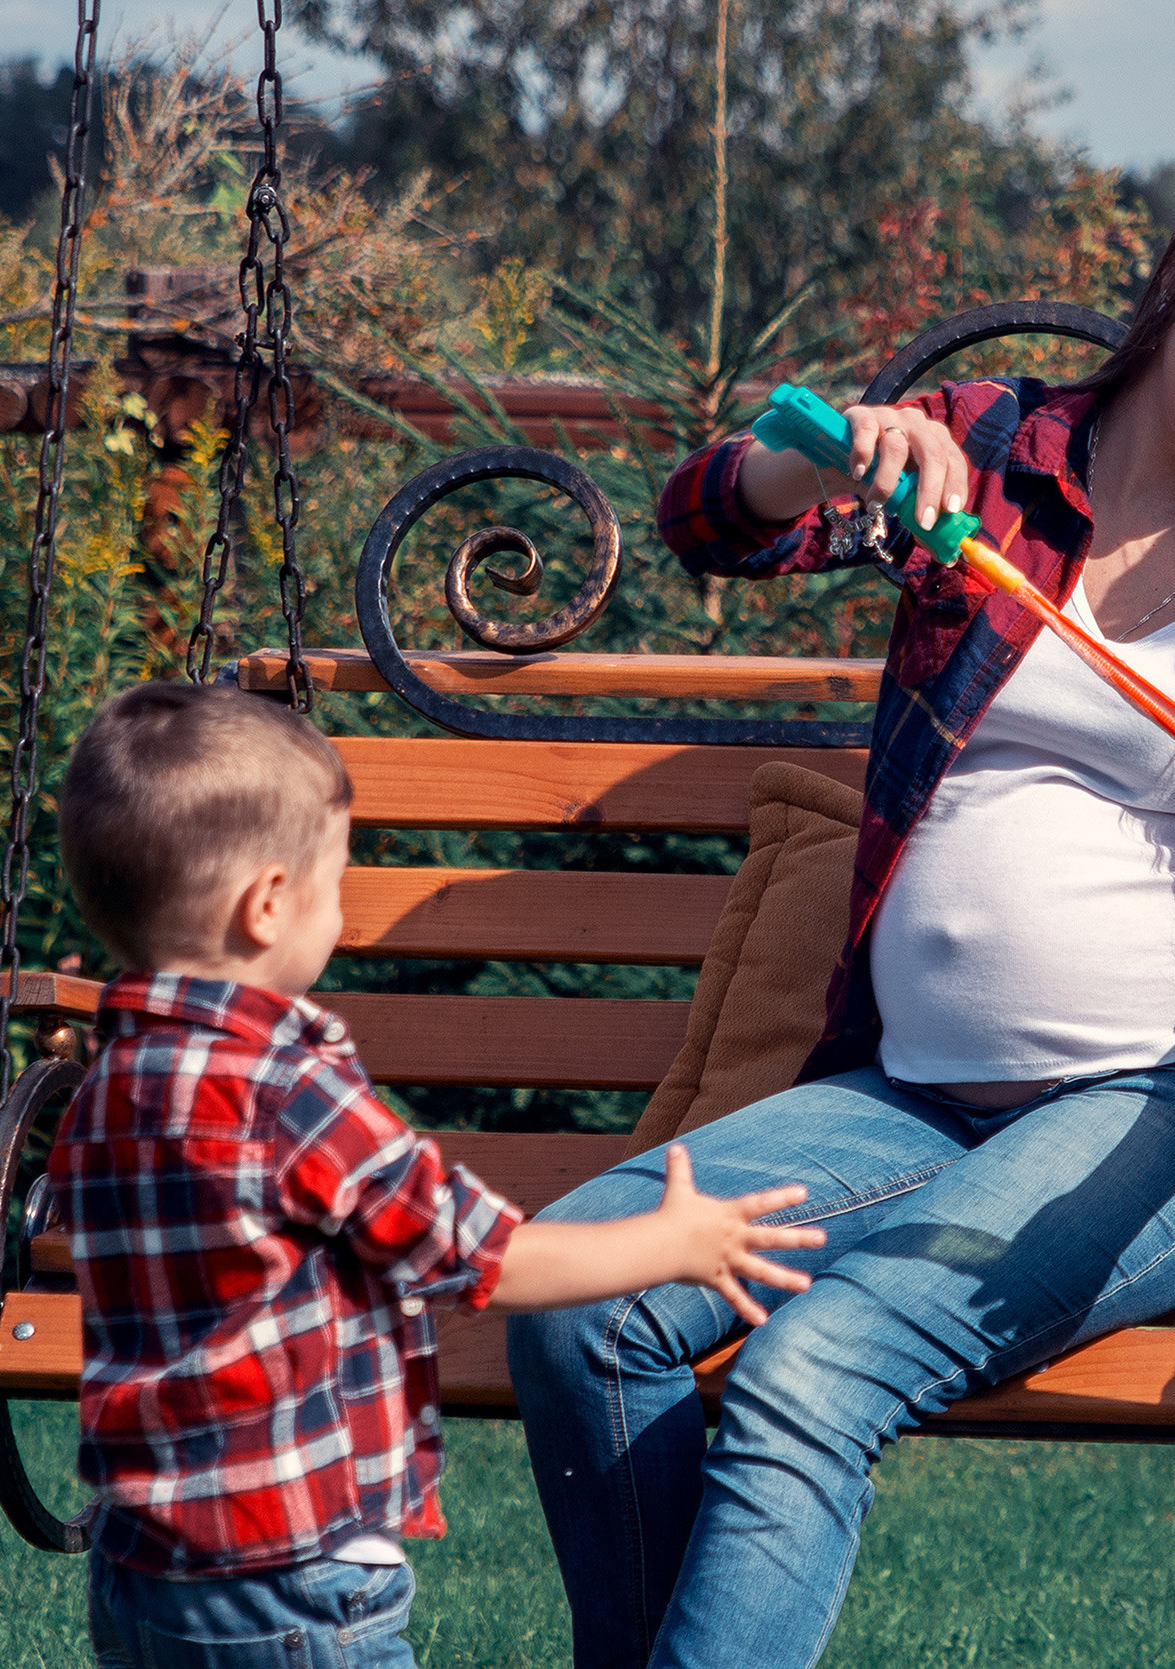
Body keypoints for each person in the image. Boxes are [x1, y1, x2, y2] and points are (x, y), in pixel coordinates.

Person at [506, 130, 1175, 1669]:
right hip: (912, 1098)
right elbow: (710, 523)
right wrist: (823, 449)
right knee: (582, 1299)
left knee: (817, 1366)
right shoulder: (994, 453)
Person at [47, 682, 824, 1669]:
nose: (340, 905)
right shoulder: (290, 1093)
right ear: (269, 904)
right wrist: (670, 1244)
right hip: (290, 1574)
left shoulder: (109, 1078)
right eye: (336, 880)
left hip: (142, 1564)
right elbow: (483, 1258)